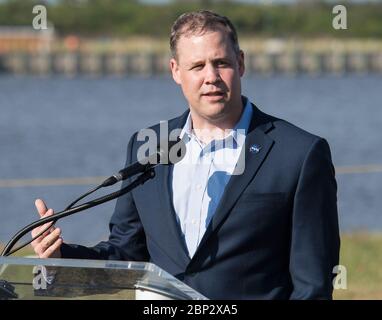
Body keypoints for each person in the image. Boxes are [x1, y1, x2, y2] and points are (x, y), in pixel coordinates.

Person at [31, 10, 340, 299]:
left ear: (241, 63)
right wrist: (61, 257)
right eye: (197, 66)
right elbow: (126, 254)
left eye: (221, 63)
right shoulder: (147, 146)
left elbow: (312, 284)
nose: (211, 77)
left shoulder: (299, 153)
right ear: (176, 71)